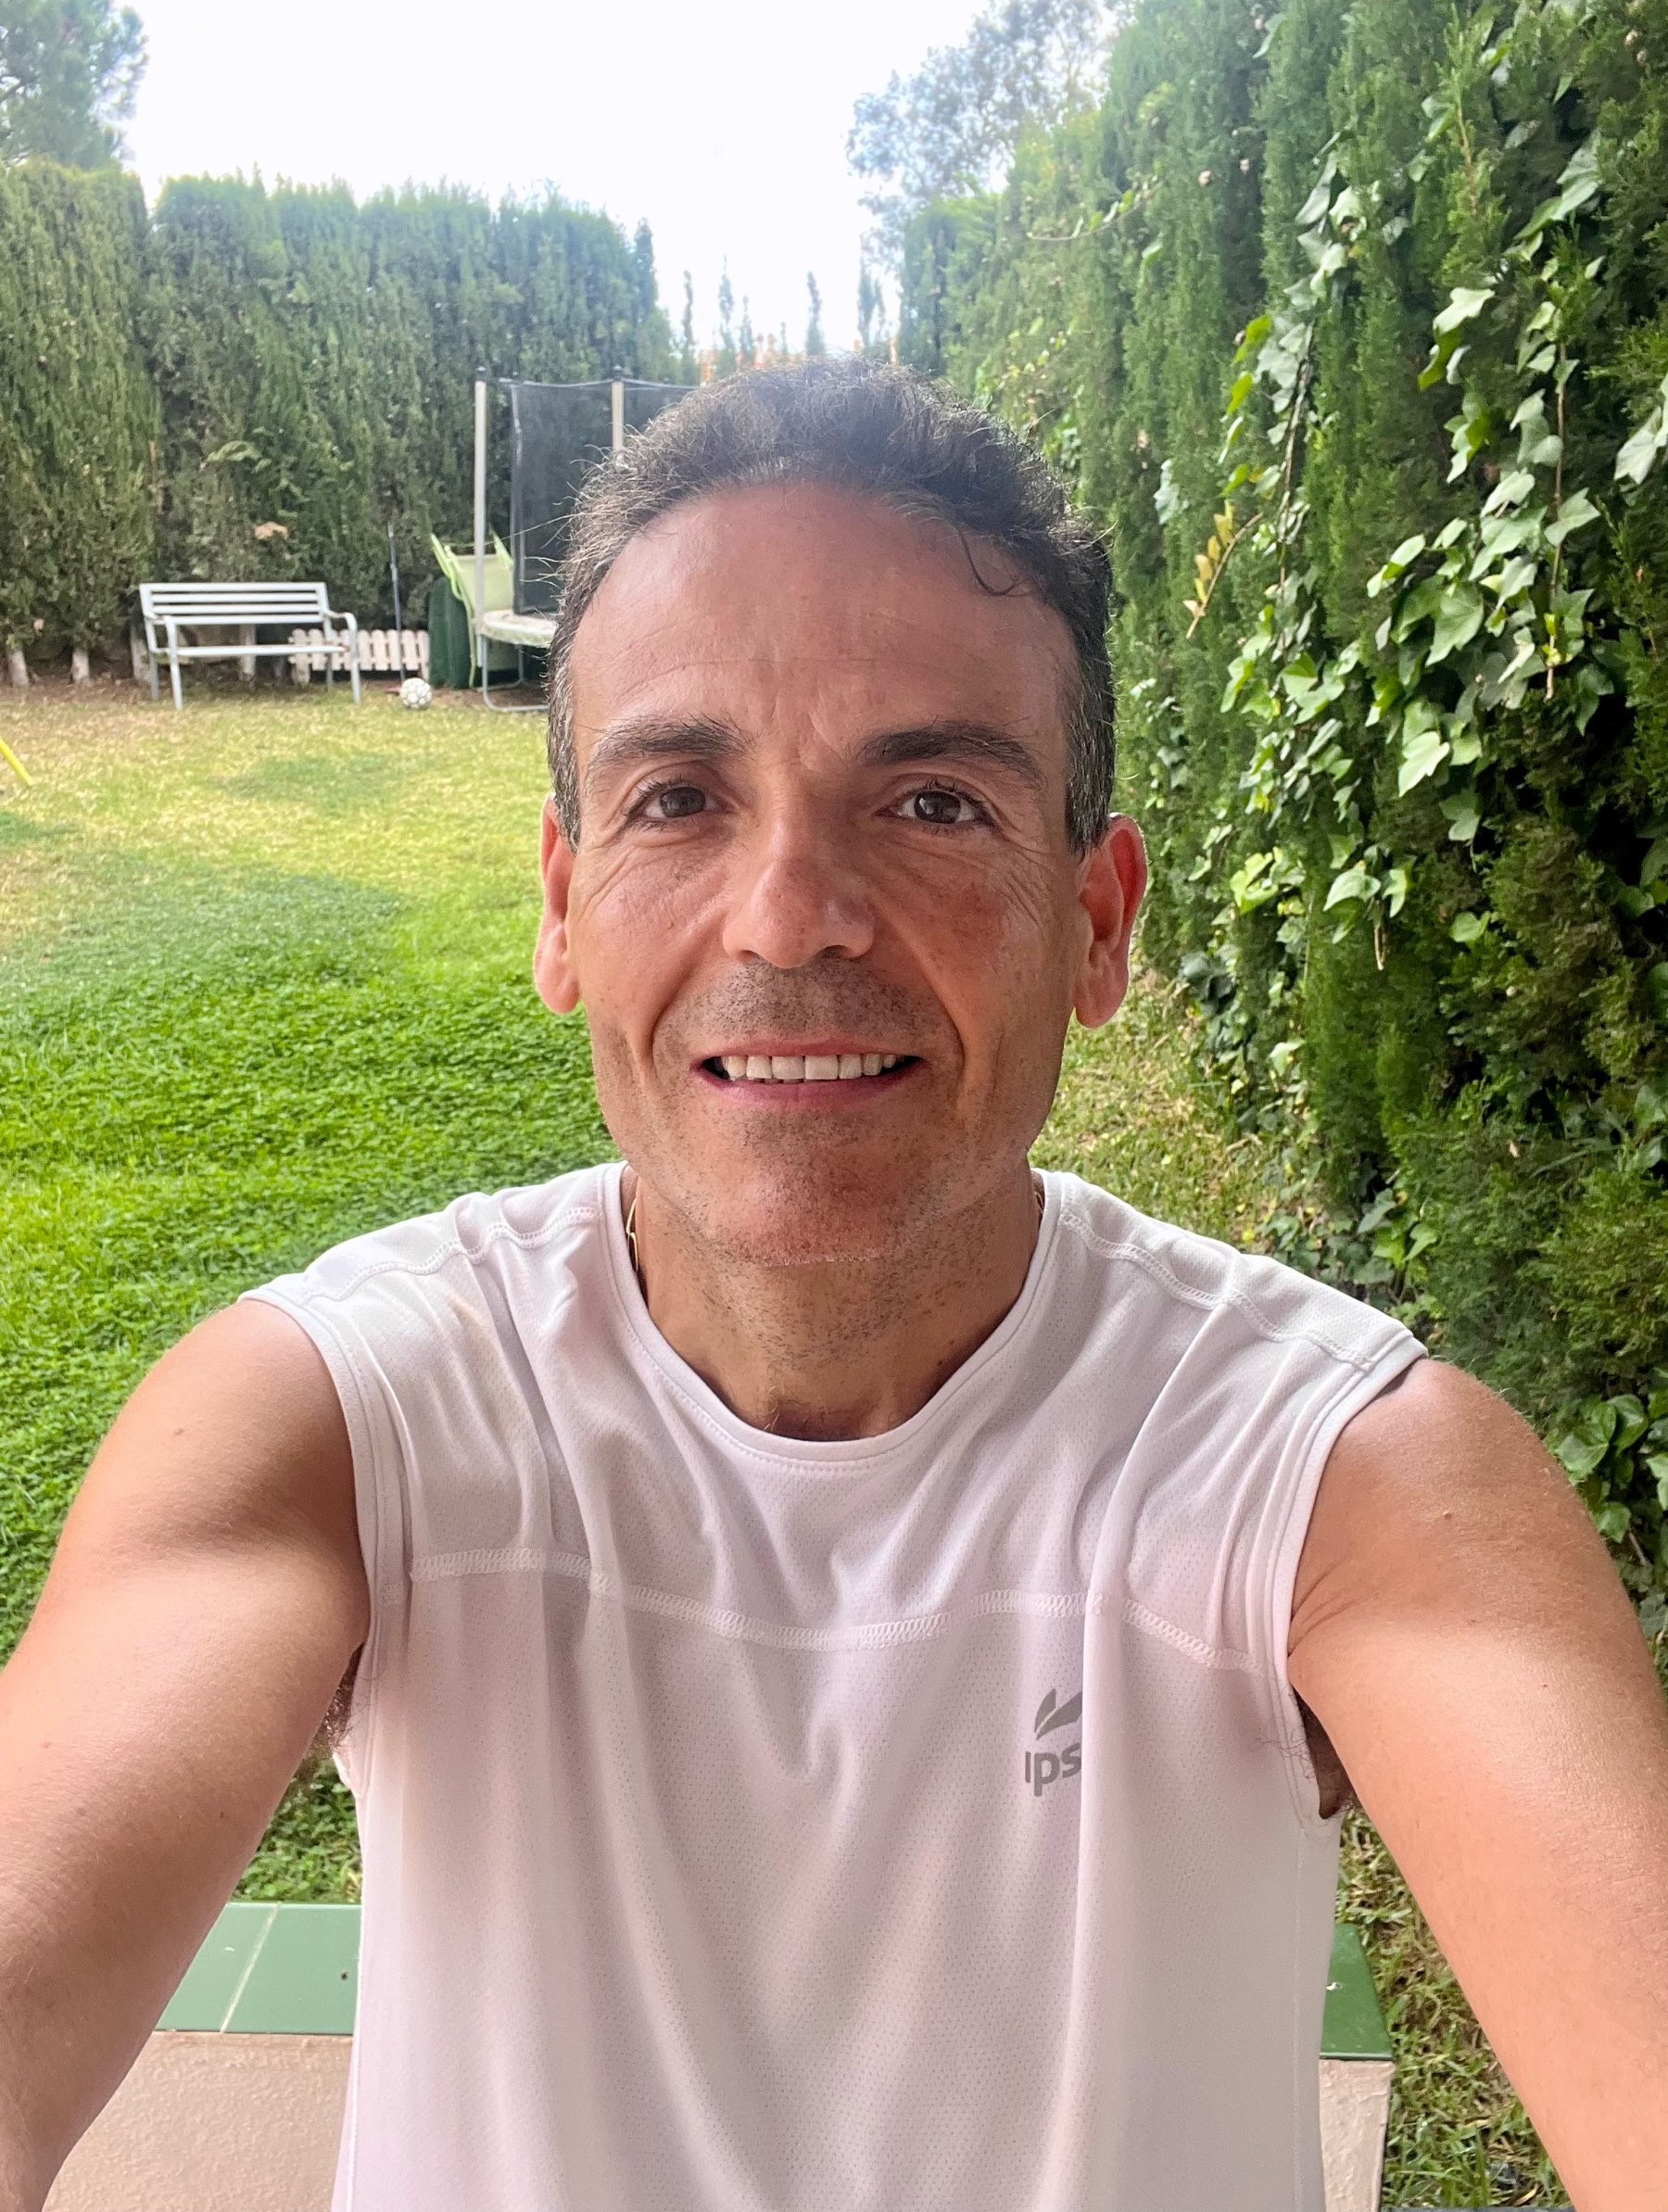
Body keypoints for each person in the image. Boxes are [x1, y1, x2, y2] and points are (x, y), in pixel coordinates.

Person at [1, 360, 1664, 2212]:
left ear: (1097, 920)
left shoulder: (1340, 1477)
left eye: (933, 802)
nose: (790, 914)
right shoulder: (339, 1423)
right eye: (679, 799)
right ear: (561, 906)